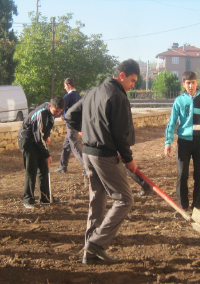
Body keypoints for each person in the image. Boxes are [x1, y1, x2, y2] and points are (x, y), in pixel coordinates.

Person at [65, 59, 139, 264]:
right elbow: (121, 134)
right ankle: (97, 243)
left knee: (97, 198)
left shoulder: (92, 91)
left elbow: (70, 115)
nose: (133, 85)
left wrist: (85, 131)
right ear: (121, 75)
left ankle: (89, 253)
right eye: (132, 80)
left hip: (88, 154)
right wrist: (128, 158)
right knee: (125, 199)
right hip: (105, 155)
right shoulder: (117, 96)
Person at [164, 71, 200, 211]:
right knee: (182, 174)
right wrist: (168, 142)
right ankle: (183, 205)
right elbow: (172, 122)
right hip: (184, 143)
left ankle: (197, 206)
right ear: (184, 84)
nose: (191, 85)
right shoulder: (179, 101)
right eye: (188, 83)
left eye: (193, 82)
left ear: (197, 83)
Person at [18, 96, 65, 209]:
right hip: (28, 141)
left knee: (43, 169)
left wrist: (47, 135)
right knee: (32, 170)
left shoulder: (51, 113)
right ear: (50, 106)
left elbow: (46, 128)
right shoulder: (41, 113)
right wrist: (47, 155)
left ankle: (45, 197)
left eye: (60, 112)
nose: (57, 114)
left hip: (37, 140)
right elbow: (38, 137)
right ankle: (28, 199)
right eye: (56, 111)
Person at [55, 78, 83, 174]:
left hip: (70, 124)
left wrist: (62, 115)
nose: (64, 88)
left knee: (74, 145)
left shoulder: (68, 96)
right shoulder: (78, 96)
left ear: (69, 85)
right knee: (66, 145)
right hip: (77, 123)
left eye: (65, 85)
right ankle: (63, 167)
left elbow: (61, 106)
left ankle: (88, 167)